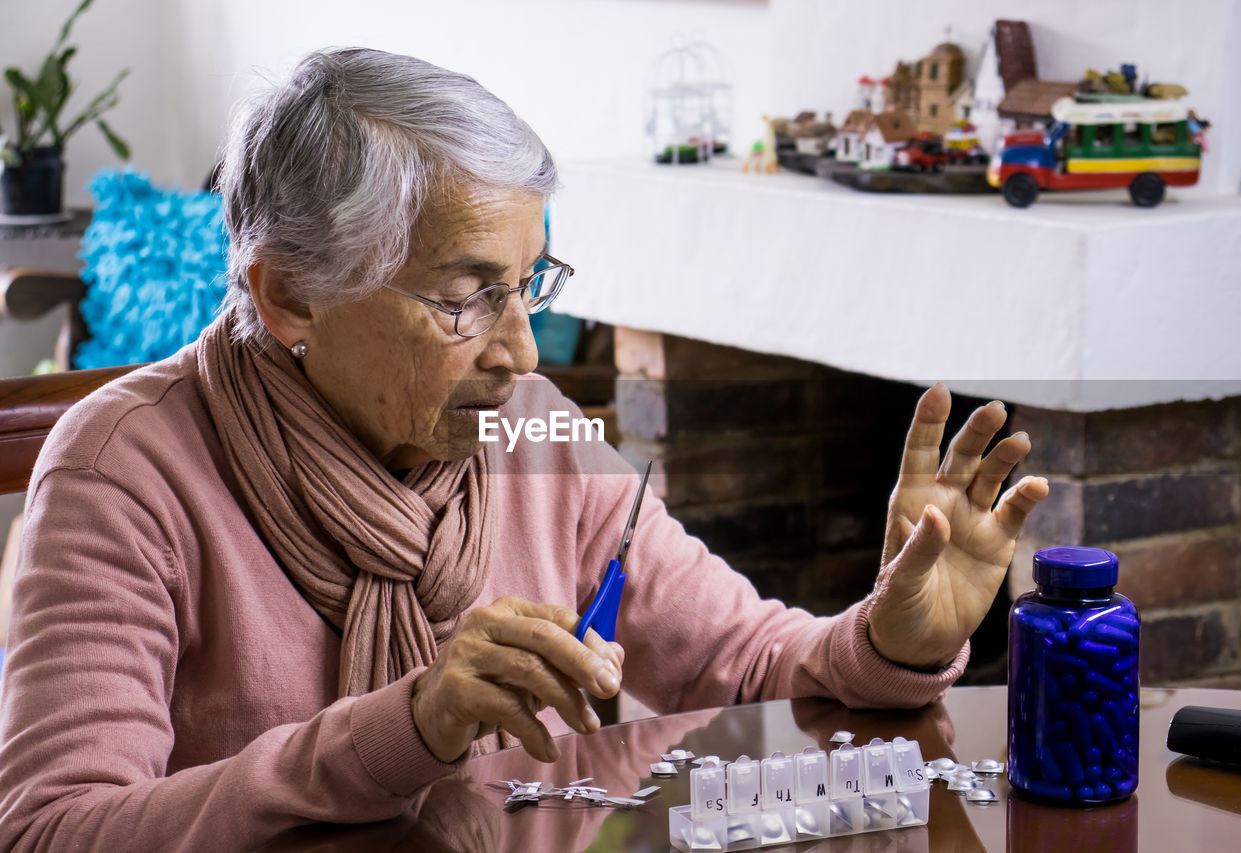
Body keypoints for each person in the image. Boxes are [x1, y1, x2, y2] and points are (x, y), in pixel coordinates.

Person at [0, 47, 1048, 850]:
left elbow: (745, 664)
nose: (517, 350)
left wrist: (896, 640)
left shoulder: (531, 428)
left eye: (530, 286)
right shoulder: (123, 470)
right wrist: (404, 725)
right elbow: (56, 830)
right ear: (288, 294)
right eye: (465, 299)